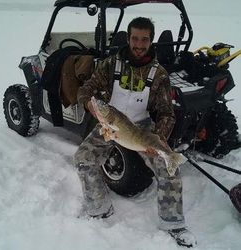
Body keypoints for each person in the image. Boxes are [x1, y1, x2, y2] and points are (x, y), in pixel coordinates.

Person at [74, 17, 197, 248]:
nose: (139, 44)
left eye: (145, 39)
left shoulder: (159, 74)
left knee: (168, 169)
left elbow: (166, 113)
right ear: (128, 37)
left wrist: (158, 138)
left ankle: (174, 224)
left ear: (151, 41)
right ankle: (99, 209)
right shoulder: (111, 64)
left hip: (141, 126)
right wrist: (89, 104)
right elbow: (86, 89)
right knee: (83, 159)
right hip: (111, 124)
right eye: (135, 38)